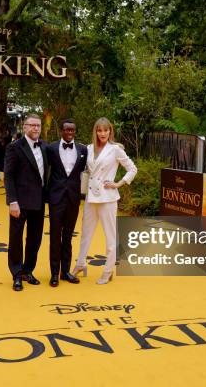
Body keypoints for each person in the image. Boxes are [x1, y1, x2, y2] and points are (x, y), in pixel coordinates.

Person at [72, 117, 137, 284]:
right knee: (85, 234)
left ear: (110, 131)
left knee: (110, 236)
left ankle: (108, 270)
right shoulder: (88, 148)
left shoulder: (115, 150)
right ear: (95, 131)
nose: (103, 133)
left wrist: (118, 183)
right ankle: (80, 264)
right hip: (91, 197)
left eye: (106, 130)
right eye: (99, 130)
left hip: (107, 198)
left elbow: (132, 169)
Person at [4, 114, 48, 291]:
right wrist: (12, 201)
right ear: (25, 127)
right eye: (32, 125)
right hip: (20, 202)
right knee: (16, 239)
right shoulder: (14, 147)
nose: (35, 128)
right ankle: (17, 274)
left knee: (35, 239)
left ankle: (28, 270)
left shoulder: (45, 146)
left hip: (39, 201)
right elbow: (8, 176)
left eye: (38, 125)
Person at [45, 119, 87, 287]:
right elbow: (43, 168)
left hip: (73, 199)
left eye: (73, 130)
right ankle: (54, 273)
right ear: (61, 131)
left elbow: (87, 169)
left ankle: (65, 272)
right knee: (55, 236)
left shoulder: (82, 149)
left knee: (68, 236)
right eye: (67, 130)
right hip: (56, 198)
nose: (70, 133)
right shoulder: (51, 148)